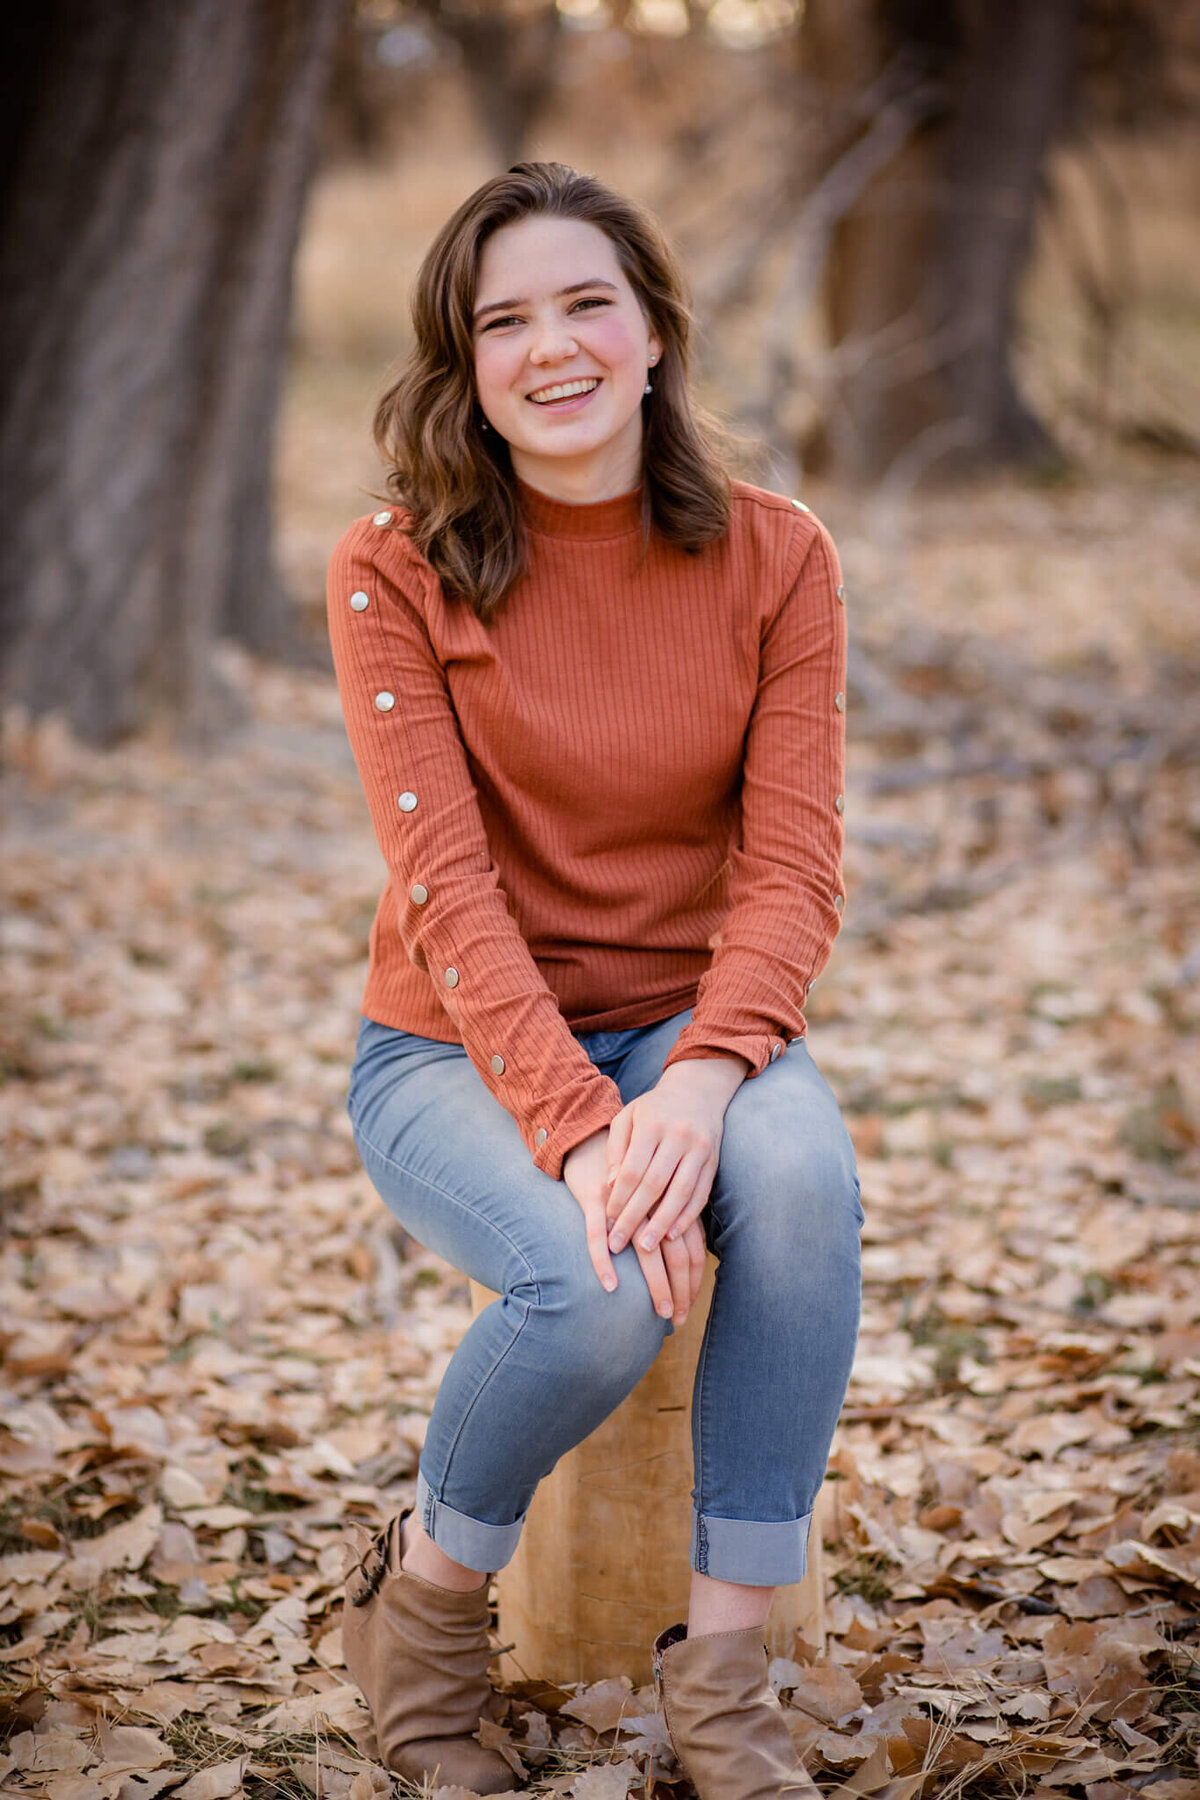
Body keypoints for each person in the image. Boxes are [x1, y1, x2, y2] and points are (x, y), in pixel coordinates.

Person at [328, 160, 863, 1798]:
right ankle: (420, 1627)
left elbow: (792, 871)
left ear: (650, 335)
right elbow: (453, 900)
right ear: (463, 363)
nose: (548, 348)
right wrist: (580, 1130)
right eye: (504, 320)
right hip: (452, 1052)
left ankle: (724, 1692)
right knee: (593, 1287)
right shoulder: (394, 566)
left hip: (697, 1030)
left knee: (803, 1181)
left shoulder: (777, 558)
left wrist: (698, 1089)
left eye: (585, 305)